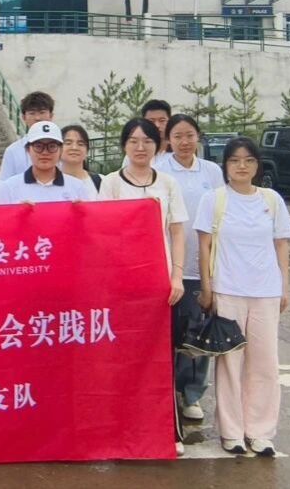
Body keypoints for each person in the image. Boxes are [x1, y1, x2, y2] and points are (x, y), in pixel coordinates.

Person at [195, 137, 290, 458]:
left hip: (266, 291)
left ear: (257, 165)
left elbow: (281, 245)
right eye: (235, 160)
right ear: (225, 165)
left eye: (249, 160)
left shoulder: (271, 200)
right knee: (230, 363)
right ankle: (232, 432)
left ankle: (261, 432)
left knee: (264, 363)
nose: (242, 166)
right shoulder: (214, 199)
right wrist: (207, 288)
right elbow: (205, 246)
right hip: (228, 290)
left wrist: (284, 287)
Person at [98, 117, 187, 456]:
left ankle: (166, 430)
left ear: (158, 146)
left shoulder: (168, 184)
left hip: (160, 285)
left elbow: (176, 232)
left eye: (147, 141)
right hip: (122, 286)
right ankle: (121, 428)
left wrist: (176, 276)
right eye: (133, 141)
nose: (140, 147)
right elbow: (102, 232)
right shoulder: (110, 183)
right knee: (122, 359)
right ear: (124, 145)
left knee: (160, 358)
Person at [153, 114, 224, 423]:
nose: (184, 142)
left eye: (190, 135)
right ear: (168, 139)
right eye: (177, 136)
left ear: (198, 136)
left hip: (200, 266)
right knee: (166, 334)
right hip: (166, 265)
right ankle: (164, 392)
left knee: (196, 335)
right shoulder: (159, 169)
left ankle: (192, 394)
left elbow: (221, 214)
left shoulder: (212, 171)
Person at [0, 122, 94, 204]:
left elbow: (87, 220)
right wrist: (14, 213)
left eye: (52, 146)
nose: (45, 152)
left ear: (61, 149)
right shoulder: (9, 187)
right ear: (28, 150)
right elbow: (0, 219)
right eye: (38, 146)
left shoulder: (77, 187)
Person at [0, 91, 55, 180]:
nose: (37, 118)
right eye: (32, 113)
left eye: (42, 112)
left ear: (51, 115)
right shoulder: (13, 151)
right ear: (24, 117)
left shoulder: (62, 148)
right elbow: (4, 182)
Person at [60, 125, 101, 199]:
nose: (74, 148)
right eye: (68, 143)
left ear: (87, 150)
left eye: (80, 144)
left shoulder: (101, 182)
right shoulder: (48, 183)